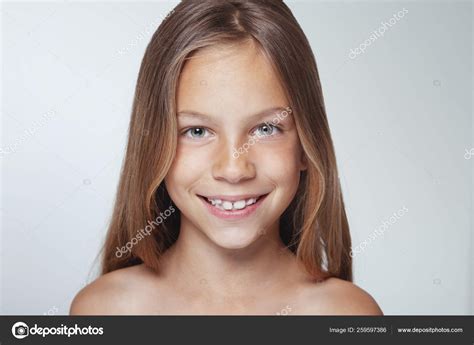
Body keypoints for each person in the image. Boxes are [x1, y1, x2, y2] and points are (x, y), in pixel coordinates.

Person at [70, 0, 383, 315]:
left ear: (306, 144)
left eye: (266, 128)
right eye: (196, 131)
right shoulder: (106, 311)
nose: (234, 169)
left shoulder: (348, 314)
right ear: (153, 149)